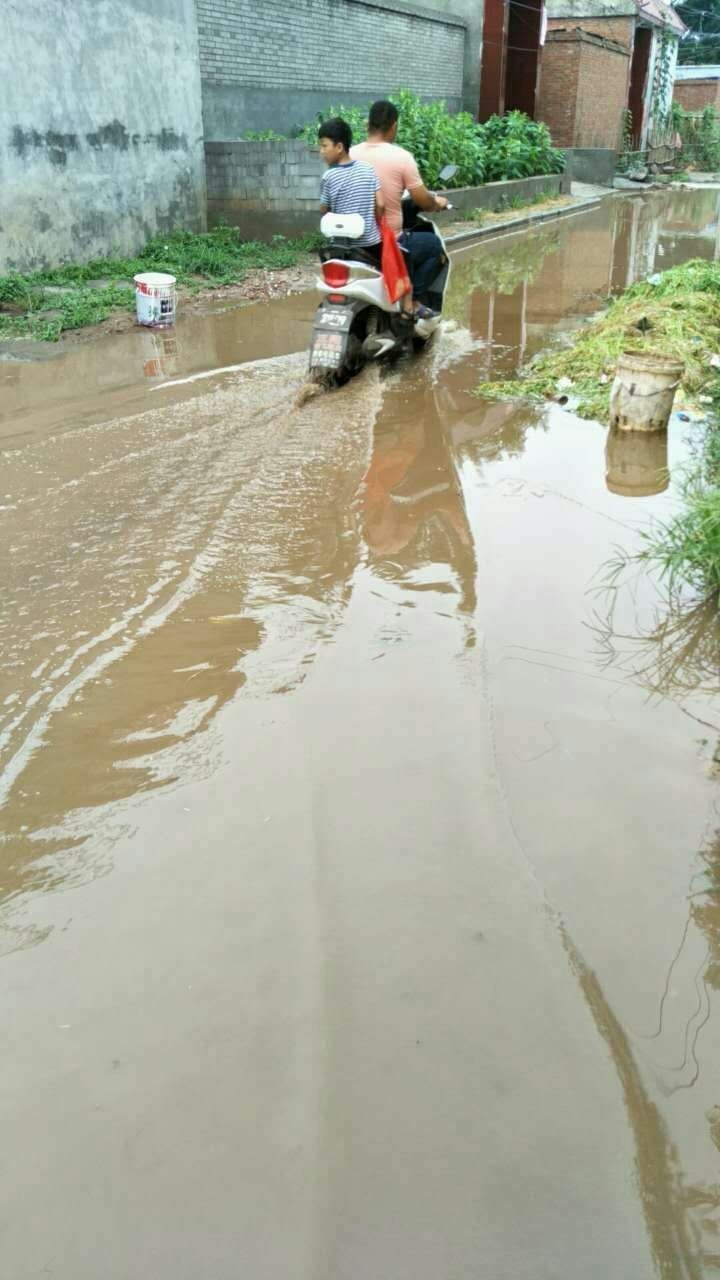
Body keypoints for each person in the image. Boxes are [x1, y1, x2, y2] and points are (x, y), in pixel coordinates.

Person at [351, 99, 449, 318]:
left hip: (353, 242)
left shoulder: (350, 154)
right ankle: (413, 300)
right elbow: (423, 201)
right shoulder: (402, 158)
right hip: (389, 241)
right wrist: (437, 203)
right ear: (394, 126)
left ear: (368, 124)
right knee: (434, 247)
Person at [318, 117, 384, 266]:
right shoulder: (368, 169)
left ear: (339, 147)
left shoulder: (328, 176)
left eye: (324, 146)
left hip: (341, 248)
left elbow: (324, 210)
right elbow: (381, 205)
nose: (321, 151)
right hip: (371, 245)